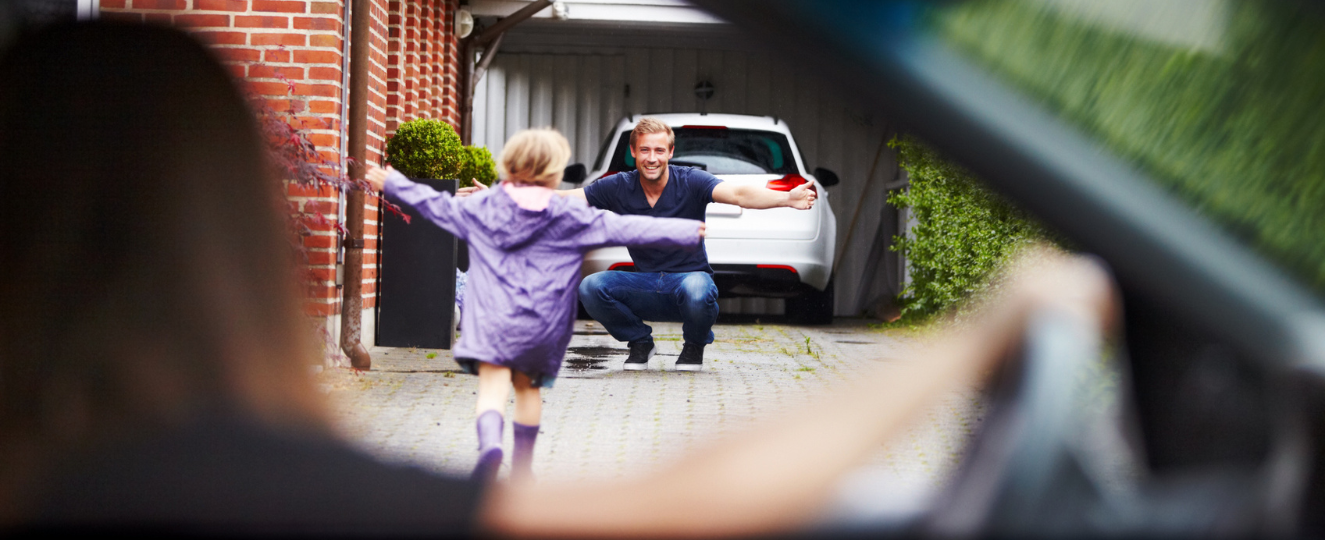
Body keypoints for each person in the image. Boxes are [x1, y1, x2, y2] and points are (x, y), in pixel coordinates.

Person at [0, 20, 1119, 537]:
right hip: (543, 324)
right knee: (536, 379)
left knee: (527, 371)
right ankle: (512, 466)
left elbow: (430, 202)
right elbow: (681, 507)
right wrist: (973, 340)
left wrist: (384, 176)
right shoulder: (217, 485)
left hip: (500, 321)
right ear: (228, 244)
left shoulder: (67, 475)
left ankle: (513, 449)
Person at [363, 129, 705, 484]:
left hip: (492, 318)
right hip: (540, 324)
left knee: (493, 387)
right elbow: (624, 227)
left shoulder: (484, 205)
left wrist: (395, 183)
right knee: (527, 391)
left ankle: (491, 446)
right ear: (555, 173)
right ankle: (523, 467)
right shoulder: (567, 215)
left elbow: (438, 205)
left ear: (509, 164)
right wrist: (681, 232)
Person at [462, 118, 818, 372]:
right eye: (644, 150)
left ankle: (694, 346)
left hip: (687, 280)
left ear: (670, 152)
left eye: (659, 150)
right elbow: (563, 200)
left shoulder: (691, 181)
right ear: (634, 152)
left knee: (698, 288)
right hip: (645, 282)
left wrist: (786, 199)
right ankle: (639, 341)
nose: (652, 157)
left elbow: (739, 194)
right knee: (591, 286)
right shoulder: (618, 186)